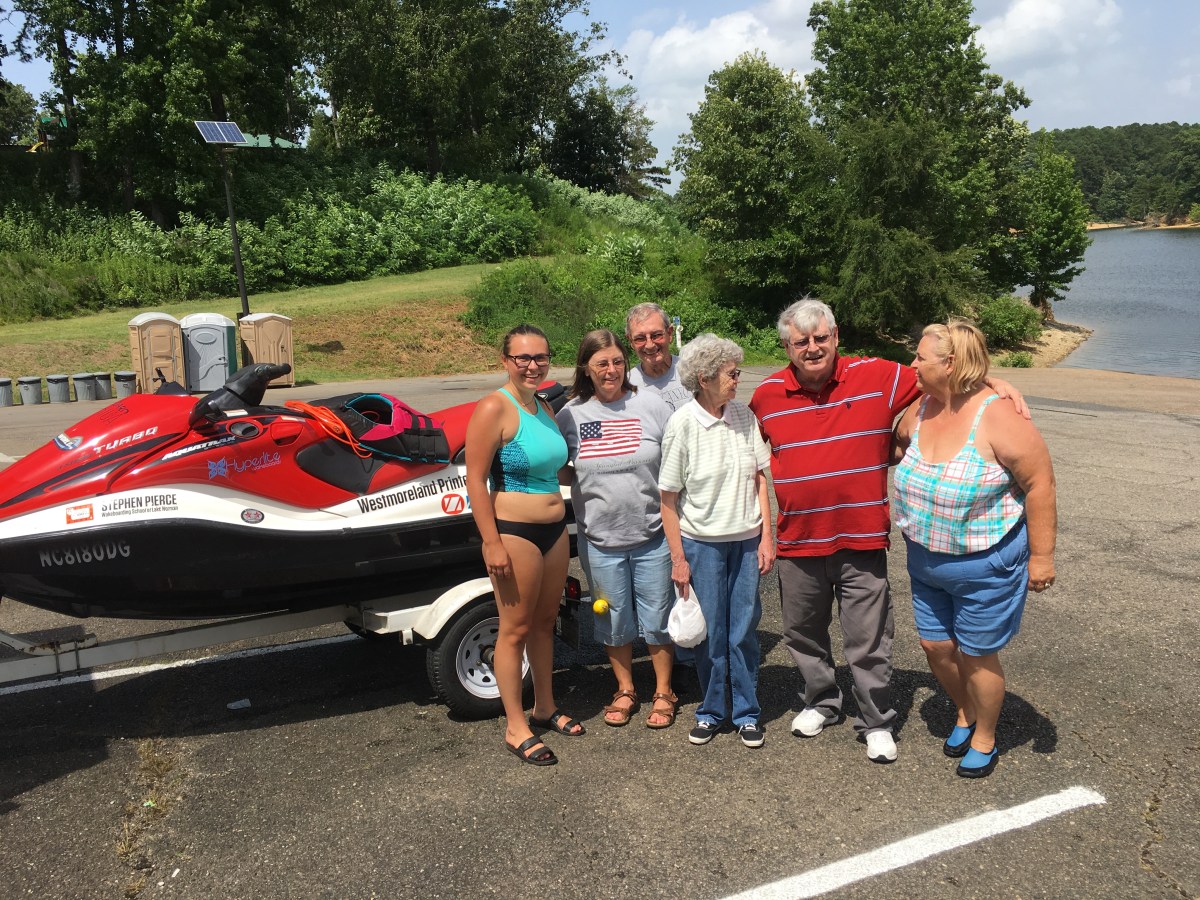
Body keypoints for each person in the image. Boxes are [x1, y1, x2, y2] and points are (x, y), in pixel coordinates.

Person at [748, 298, 1028, 764]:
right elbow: (747, 450)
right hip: (799, 537)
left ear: (836, 337)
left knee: (869, 639)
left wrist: (992, 383)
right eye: (801, 342)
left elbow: (941, 375)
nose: (812, 348)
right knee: (802, 633)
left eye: (821, 338)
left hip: (861, 536)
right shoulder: (766, 395)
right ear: (786, 346)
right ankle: (821, 702)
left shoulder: (878, 375)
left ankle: (876, 720)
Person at [892, 320, 1057, 778]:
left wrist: (1042, 556)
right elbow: (896, 445)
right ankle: (964, 709)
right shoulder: (921, 407)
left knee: (977, 654)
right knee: (935, 646)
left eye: (920, 357)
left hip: (986, 564)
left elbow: (1040, 483)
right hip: (925, 560)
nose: (912, 363)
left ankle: (984, 734)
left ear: (950, 363)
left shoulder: (999, 416)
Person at [465, 324, 584, 767]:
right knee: (514, 628)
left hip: (554, 529)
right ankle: (515, 726)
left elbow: (557, 469)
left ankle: (545, 706)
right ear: (506, 361)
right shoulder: (494, 407)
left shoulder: (544, 407)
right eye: (523, 358)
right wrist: (491, 543)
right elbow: (475, 480)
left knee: (545, 622)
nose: (533, 365)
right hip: (514, 531)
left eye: (541, 357)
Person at [556, 330, 678, 728]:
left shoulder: (651, 405)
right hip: (599, 541)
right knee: (611, 618)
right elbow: (560, 466)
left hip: (653, 536)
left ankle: (664, 691)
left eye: (618, 362)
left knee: (658, 616)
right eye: (601, 364)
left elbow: (676, 461)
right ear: (585, 369)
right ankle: (625, 689)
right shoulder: (571, 415)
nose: (611, 370)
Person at [659, 333, 775, 748]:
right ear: (705, 378)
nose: (737, 380)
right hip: (701, 544)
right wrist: (678, 559)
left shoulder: (743, 415)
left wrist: (767, 536)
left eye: (737, 372)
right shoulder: (682, 424)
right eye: (731, 373)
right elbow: (668, 499)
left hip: (746, 541)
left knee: (742, 631)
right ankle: (710, 711)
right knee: (709, 633)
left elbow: (759, 478)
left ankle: (746, 712)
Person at [626, 302, 691, 412]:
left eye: (656, 335)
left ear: (670, 334)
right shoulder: (626, 386)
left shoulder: (692, 370)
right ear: (630, 341)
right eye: (640, 338)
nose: (649, 345)